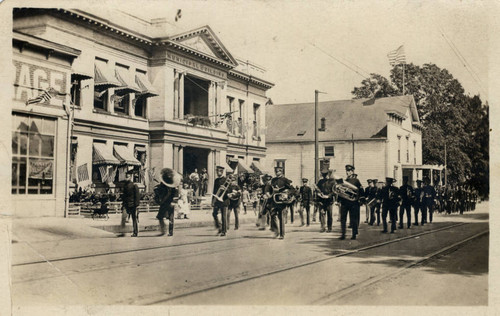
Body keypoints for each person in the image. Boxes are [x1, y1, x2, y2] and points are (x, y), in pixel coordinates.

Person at [265, 166, 293, 239]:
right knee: (272, 214)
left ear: (281, 171)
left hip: (281, 201)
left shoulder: (285, 180)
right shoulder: (273, 180)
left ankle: (282, 234)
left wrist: (286, 193)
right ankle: (276, 231)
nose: (277, 173)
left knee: (281, 217)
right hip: (274, 201)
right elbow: (268, 188)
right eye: (276, 171)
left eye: (278, 171)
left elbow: (291, 189)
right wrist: (267, 193)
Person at [338, 165, 363, 240]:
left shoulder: (356, 181)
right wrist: (338, 200)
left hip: (353, 202)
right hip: (344, 202)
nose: (347, 172)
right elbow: (341, 191)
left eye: (349, 171)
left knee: (353, 218)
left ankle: (354, 234)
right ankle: (343, 234)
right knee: (343, 219)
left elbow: (361, 191)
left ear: (352, 171)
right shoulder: (344, 181)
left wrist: (359, 199)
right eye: (346, 171)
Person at [154, 168, 181, 236]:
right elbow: (158, 193)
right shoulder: (162, 186)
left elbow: (175, 197)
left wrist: (173, 202)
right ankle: (163, 230)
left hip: (170, 203)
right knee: (160, 217)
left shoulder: (174, 188)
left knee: (171, 218)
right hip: (164, 203)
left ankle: (170, 232)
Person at [118, 170, 141, 237]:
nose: (126, 178)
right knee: (123, 217)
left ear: (131, 177)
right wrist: (123, 204)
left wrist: (136, 205)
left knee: (134, 218)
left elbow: (137, 196)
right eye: (126, 176)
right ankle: (122, 232)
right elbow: (124, 196)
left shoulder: (134, 185)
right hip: (126, 204)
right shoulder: (125, 186)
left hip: (133, 204)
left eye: (128, 177)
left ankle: (135, 232)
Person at [212, 166, 229, 236]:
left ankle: (224, 231)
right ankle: (219, 226)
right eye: (217, 171)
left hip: (224, 200)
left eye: (218, 171)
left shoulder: (226, 180)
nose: (217, 172)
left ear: (221, 172)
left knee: (223, 216)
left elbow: (229, 190)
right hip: (217, 200)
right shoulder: (216, 180)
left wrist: (225, 189)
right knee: (214, 213)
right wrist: (212, 201)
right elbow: (214, 191)